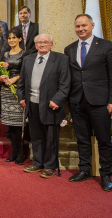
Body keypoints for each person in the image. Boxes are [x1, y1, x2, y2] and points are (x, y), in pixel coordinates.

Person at [64, 14, 112, 191]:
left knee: (104, 140)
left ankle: (106, 174)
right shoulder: (69, 49)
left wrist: (111, 100)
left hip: (99, 101)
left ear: (92, 25)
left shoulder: (106, 46)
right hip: (77, 100)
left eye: (84, 25)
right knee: (82, 139)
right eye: (77, 26)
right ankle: (85, 170)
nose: (81, 29)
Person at [18, 34, 70, 179]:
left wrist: (57, 100)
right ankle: (38, 162)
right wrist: (21, 97)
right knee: (36, 136)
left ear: (51, 45)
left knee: (50, 136)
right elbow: (21, 82)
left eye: (45, 42)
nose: (42, 45)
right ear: (35, 45)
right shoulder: (28, 59)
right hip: (32, 104)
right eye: (39, 42)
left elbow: (65, 84)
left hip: (51, 105)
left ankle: (49, 165)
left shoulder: (61, 59)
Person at [0, 27, 24, 164]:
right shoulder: (5, 54)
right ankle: (14, 151)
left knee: (18, 124)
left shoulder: (25, 54)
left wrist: (15, 79)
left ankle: (21, 153)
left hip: (18, 89)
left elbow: (26, 72)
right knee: (9, 124)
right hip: (6, 89)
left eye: (14, 38)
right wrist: (0, 77)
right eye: (10, 38)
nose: (12, 40)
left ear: (20, 39)